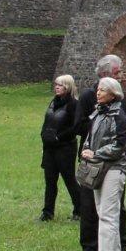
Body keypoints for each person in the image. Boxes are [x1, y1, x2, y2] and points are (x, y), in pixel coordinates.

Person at [74, 55, 126, 251]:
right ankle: (90, 246)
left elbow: (123, 133)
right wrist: (92, 145)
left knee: (115, 205)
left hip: (113, 162)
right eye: (117, 72)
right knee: (90, 204)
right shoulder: (88, 97)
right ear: (106, 73)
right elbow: (80, 125)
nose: (121, 75)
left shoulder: (120, 102)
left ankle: (119, 246)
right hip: (91, 159)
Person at [39, 75, 80, 222]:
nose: (57, 87)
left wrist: (59, 137)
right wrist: (44, 136)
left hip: (65, 148)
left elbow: (75, 127)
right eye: (56, 84)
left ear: (68, 87)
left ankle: (80, 210)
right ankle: (47, 213)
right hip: (49, 148)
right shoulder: (53, 102)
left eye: (61, 85)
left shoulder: (73, 104)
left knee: (69, 180)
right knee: (50, 181)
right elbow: (47, 122)